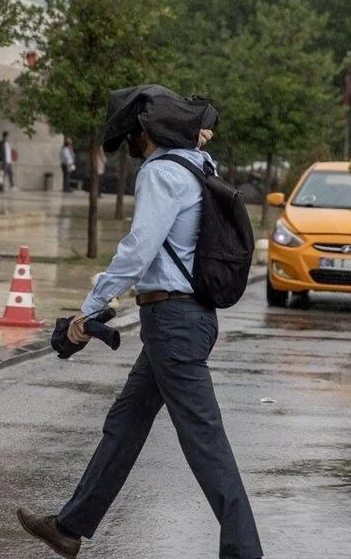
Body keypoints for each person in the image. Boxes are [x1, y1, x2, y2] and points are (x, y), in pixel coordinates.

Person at [16, 126, 264, 559]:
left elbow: (138, 250)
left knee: (205, 442)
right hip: (187, 319)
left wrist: (90, 307)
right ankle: (69, 527)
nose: (125, 138)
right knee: (125, 423)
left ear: (146, 132)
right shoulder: (196, 164)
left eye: (130, 130)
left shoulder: (160, 172)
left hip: (173, 323)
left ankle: (244, 551)